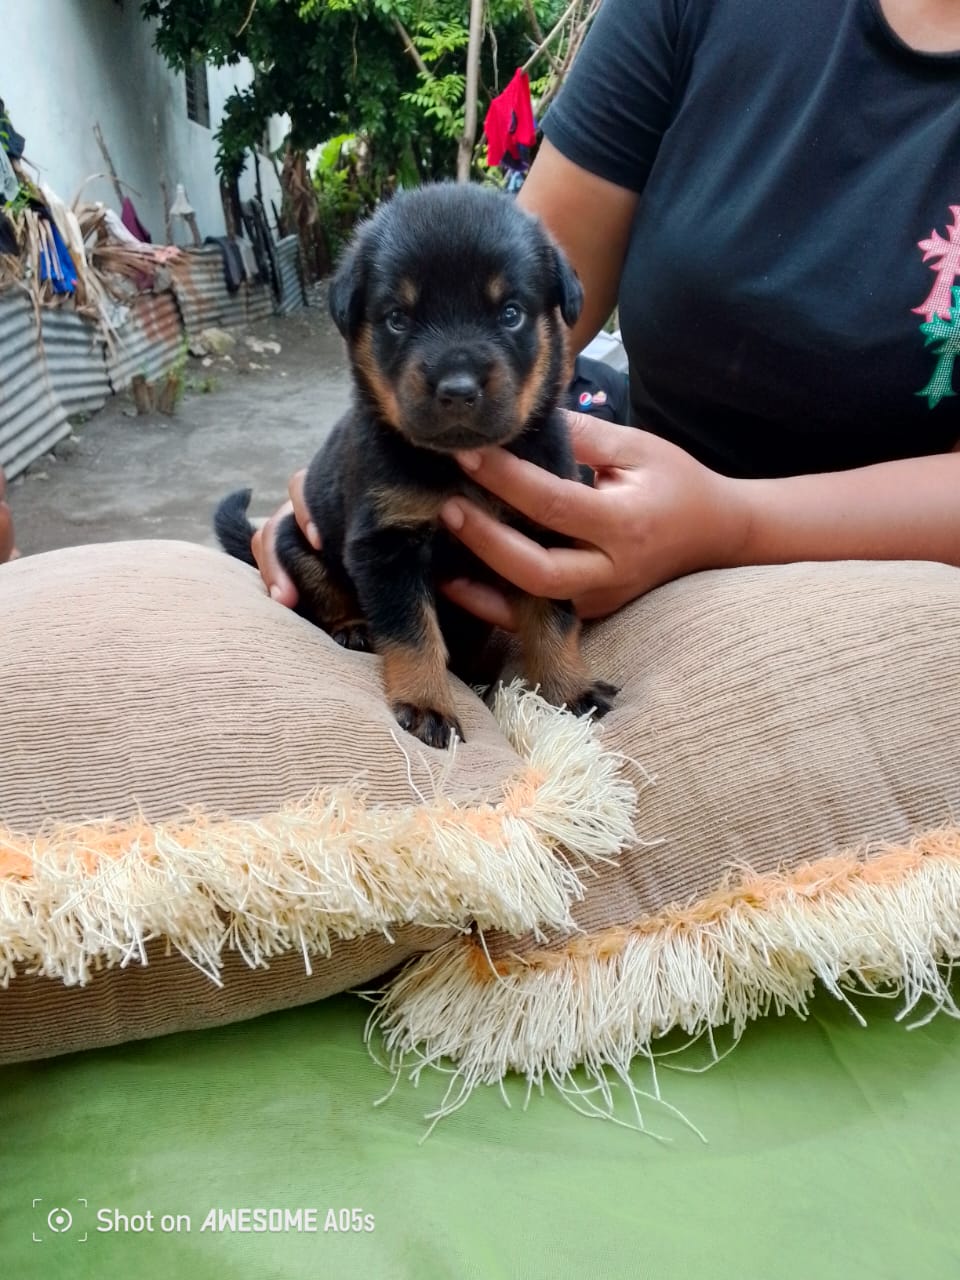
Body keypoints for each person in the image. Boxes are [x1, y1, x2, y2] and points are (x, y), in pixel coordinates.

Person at [254, 0, 960, 628]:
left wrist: (733, 524)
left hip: (906, 584)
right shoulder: (689, 10)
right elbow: (517, 282)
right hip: (624, 529)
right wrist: (354, 470)